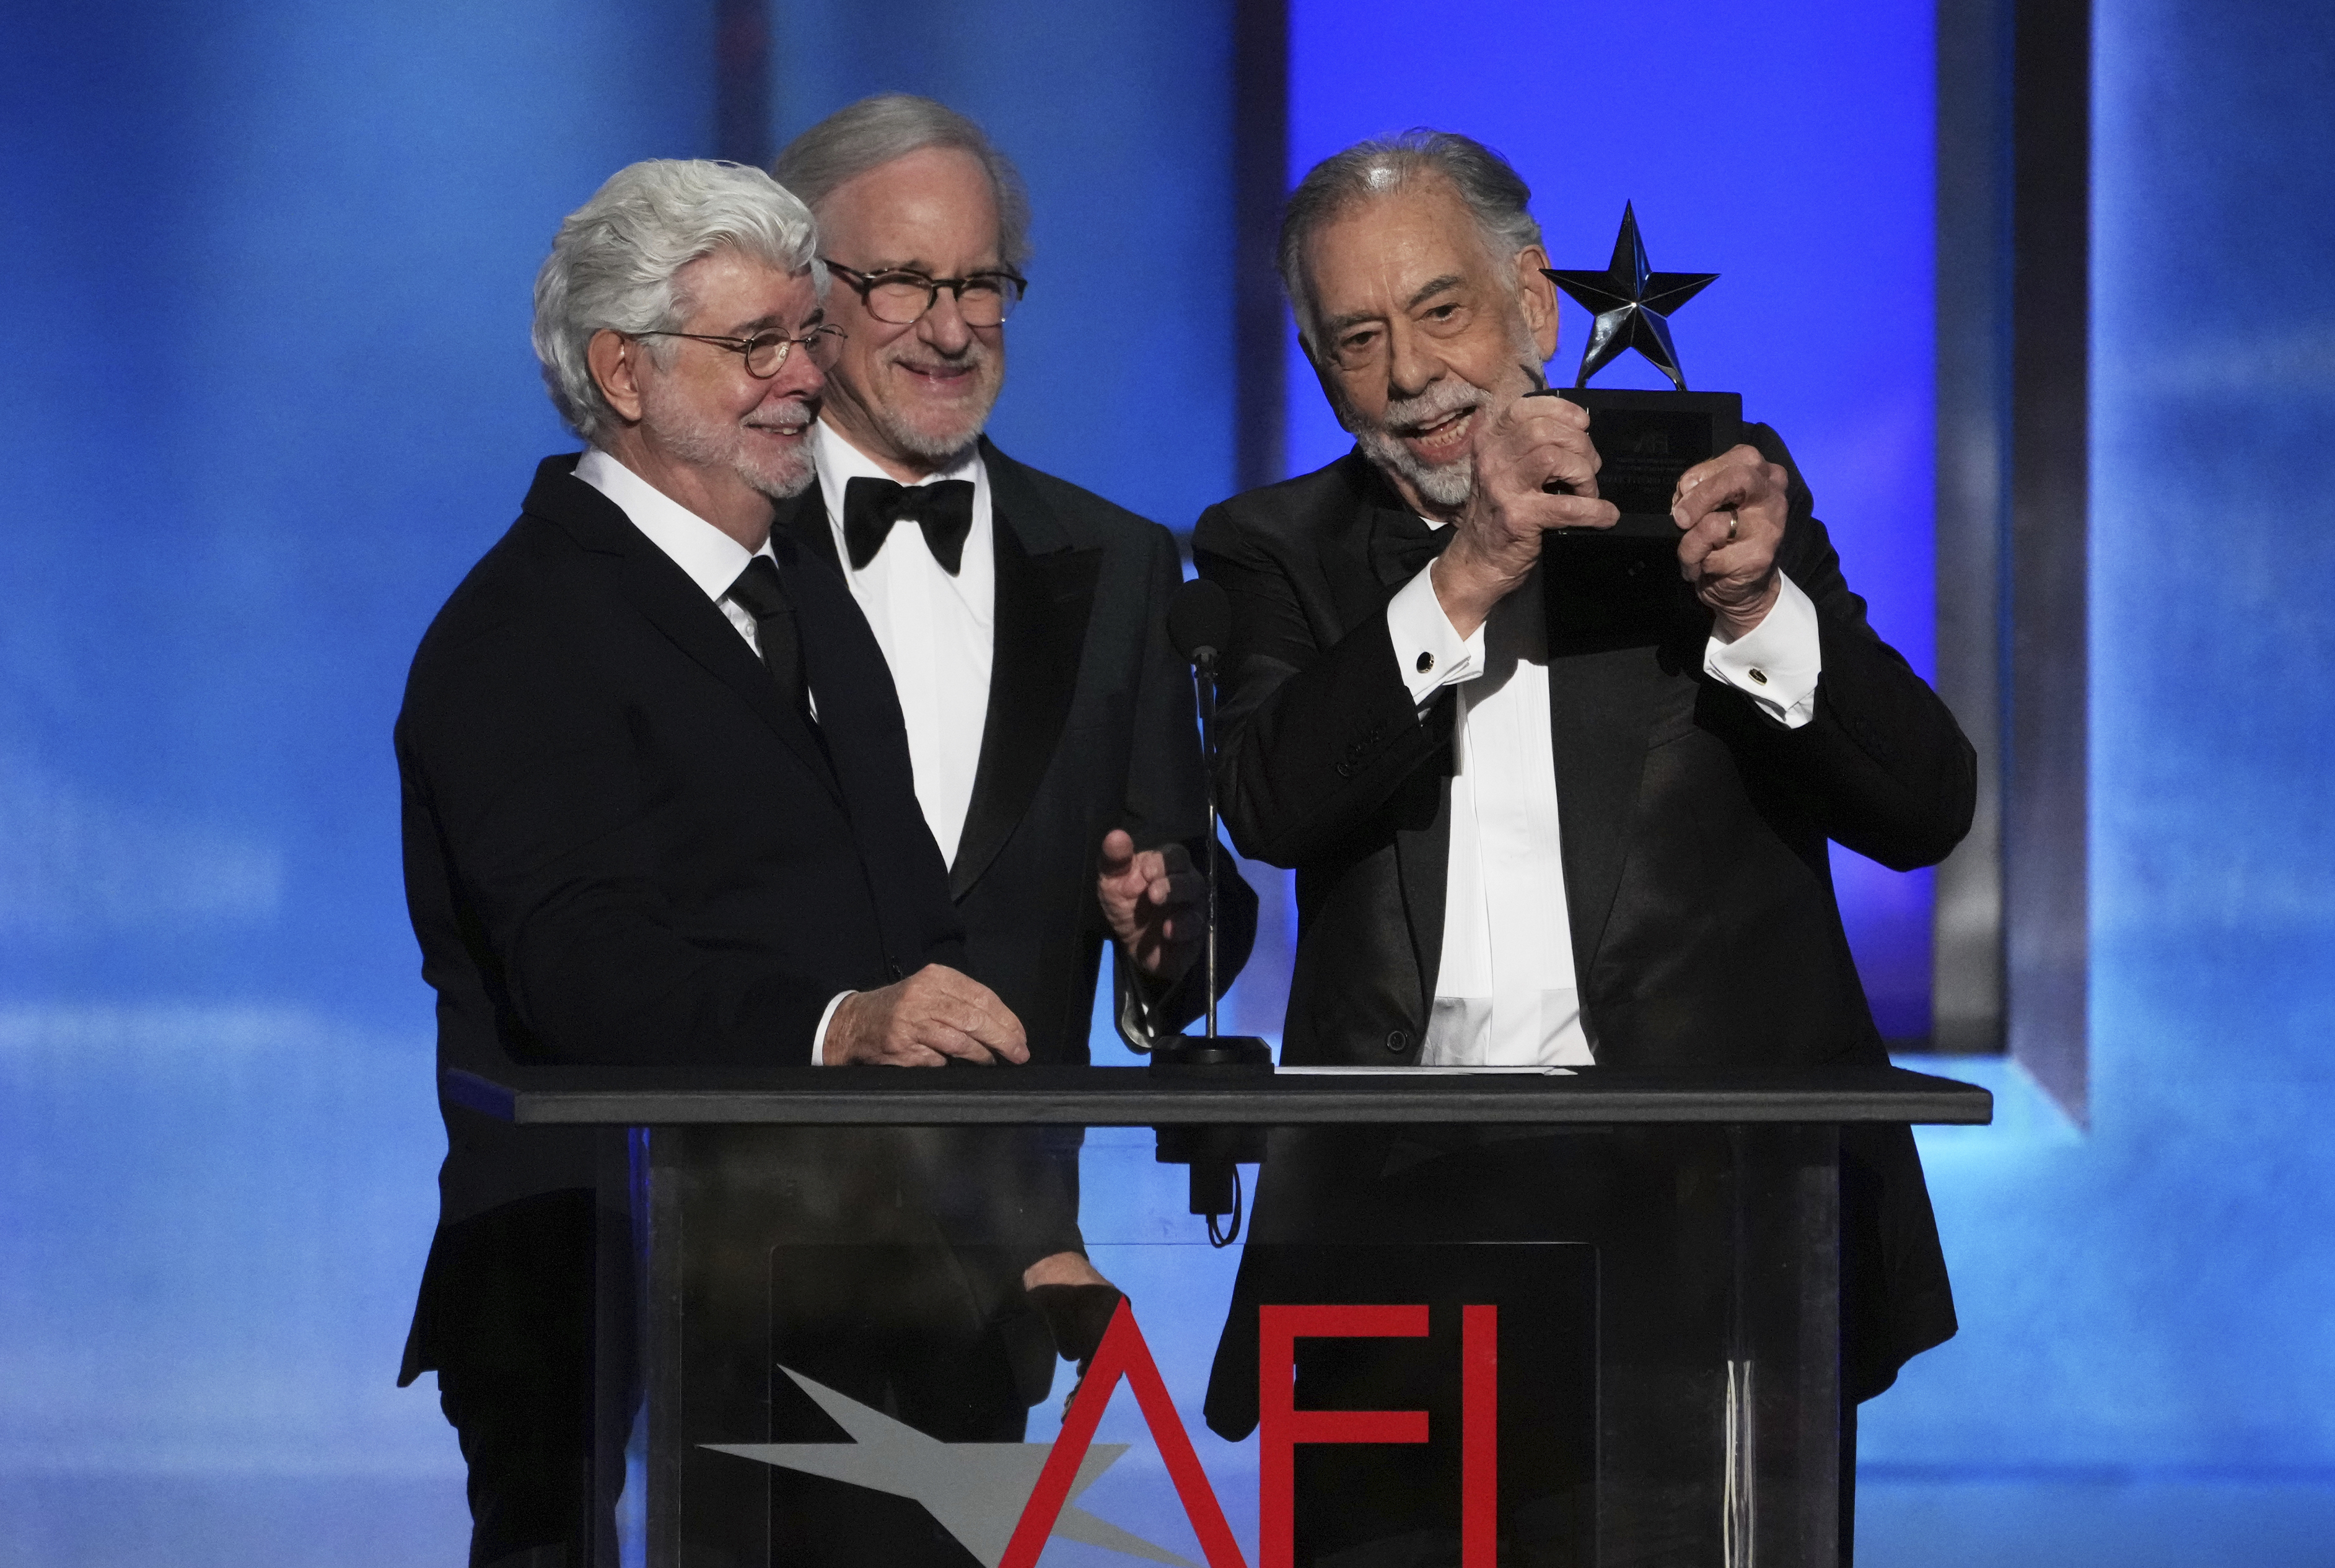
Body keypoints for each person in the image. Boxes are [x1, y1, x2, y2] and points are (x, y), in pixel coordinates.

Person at [1191, 131, 1976, 1563]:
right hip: (1398, 1237)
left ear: (1536, 306)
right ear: (1317, 366)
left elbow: (1923, 808)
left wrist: (1759, 617)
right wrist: (1469, 571)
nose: (1412, 375)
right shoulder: (1272, 548)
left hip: (1709, 1227)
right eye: (1357, 338)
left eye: (1441, 311)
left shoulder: (1712, 496)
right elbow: (1268, 801)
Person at [395, 159, 1045, 1568]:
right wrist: (835, 1027)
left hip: (862, 1289)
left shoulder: (797, 587)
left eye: (807, 335)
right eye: (756, 344)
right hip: (620, 1301)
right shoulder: (522, 632)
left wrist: (1012, 1222)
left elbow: (895, 903)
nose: (807, 376)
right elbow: (580, 960)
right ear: (623, 373)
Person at [770, 95, 1256, 1069]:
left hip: (1012, 1195)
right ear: (805, 298)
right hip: (743, 1182)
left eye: (979, 284)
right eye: (902, 284)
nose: (951, 332)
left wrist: (1171, 935)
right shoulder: (732, 541)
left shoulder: (1117, 562)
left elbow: (1183, 881)